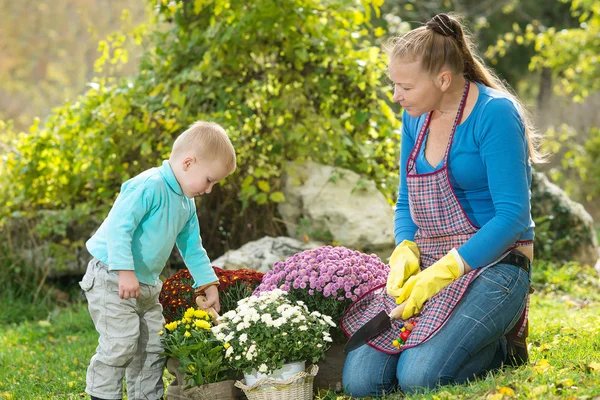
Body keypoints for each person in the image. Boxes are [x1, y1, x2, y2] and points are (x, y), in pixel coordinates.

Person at [341, 13, 543, 396]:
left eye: (405, 86)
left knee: (419, 377)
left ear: (443, 80)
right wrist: (405, 248)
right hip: (430, 264)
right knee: (362, 382)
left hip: (496, 265)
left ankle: (501, 344)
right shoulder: (415, 117)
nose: (396, 96)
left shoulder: (494, 113)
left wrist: (448, 269)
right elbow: (406, 198)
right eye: (394, 85)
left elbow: (513, 216)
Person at [79, 121, 236, 400]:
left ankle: (146, 396)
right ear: (188, 162)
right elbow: (119, 227)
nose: (210, 189)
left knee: (152, 347)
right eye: (209, 180)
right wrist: (125, 270)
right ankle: (102, 395)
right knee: (121, 343)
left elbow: (192, 248)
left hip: (148, 285)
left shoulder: (186, 203)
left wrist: (208, 284)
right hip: (111, 277)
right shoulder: (149, 185)